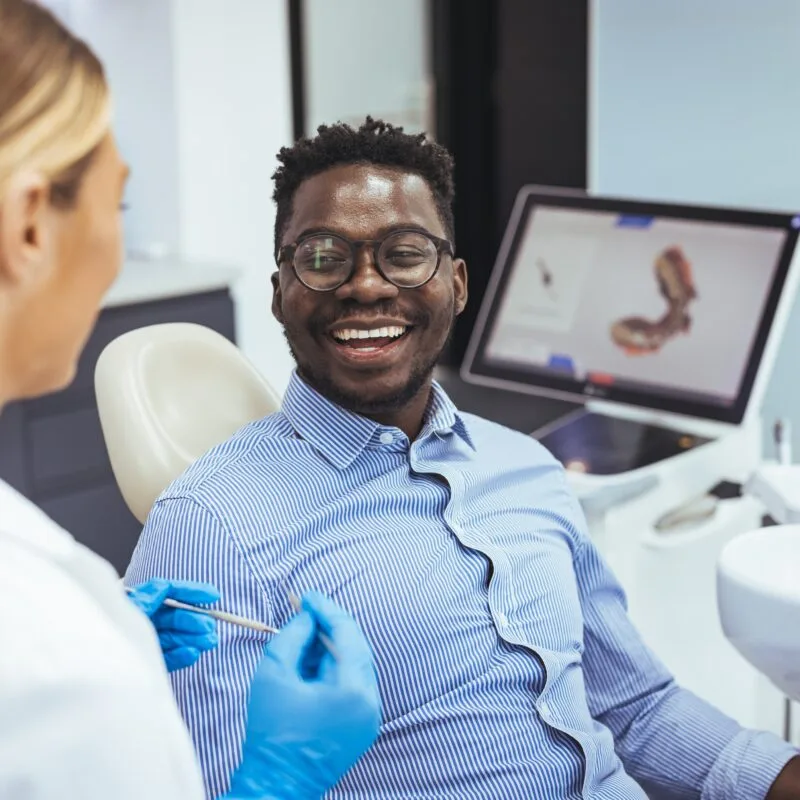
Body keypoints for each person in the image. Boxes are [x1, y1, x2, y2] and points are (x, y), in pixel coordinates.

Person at [126, 115, 800, 799]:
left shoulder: (527, 468)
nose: (366, 285)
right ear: (280, 295)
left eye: (405, 253)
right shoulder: (210, 527)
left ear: (458, 284)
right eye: (324, 257)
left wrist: (778, 773)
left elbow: (637, 708)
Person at [0, 2, 380, 799]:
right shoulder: (53, 660)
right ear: (29, 225)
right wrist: (274, 782)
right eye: (120, 205)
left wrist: (117, 630)